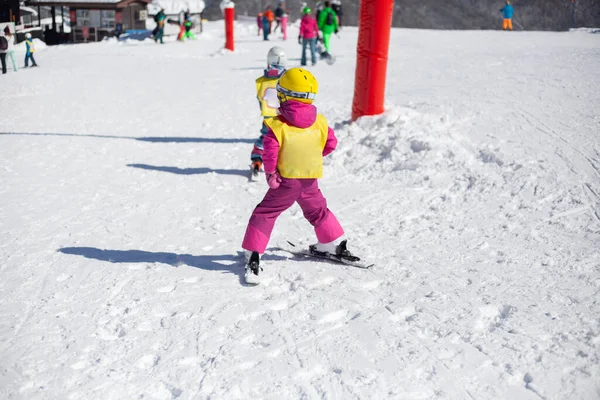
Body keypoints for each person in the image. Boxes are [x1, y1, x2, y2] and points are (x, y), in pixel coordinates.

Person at [242, 67, 350, 283]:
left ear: (283, 94)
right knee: (318, 210)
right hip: (309, 179)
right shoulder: (320, 121)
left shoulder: (277, 124)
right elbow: (331, 144)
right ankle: (333, 244)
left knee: (266, 213)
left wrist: (271, 174)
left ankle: (253, 254)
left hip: (286, 181)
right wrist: (309, 155)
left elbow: (270, 153)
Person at [250, 47, 287, 175]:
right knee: (283, 140)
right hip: (284, 117)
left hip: (268, 117)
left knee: (266, 137)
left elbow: (260, 98)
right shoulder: (287, 78)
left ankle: (257, 159)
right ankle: (281, 163)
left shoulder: (263, 80)